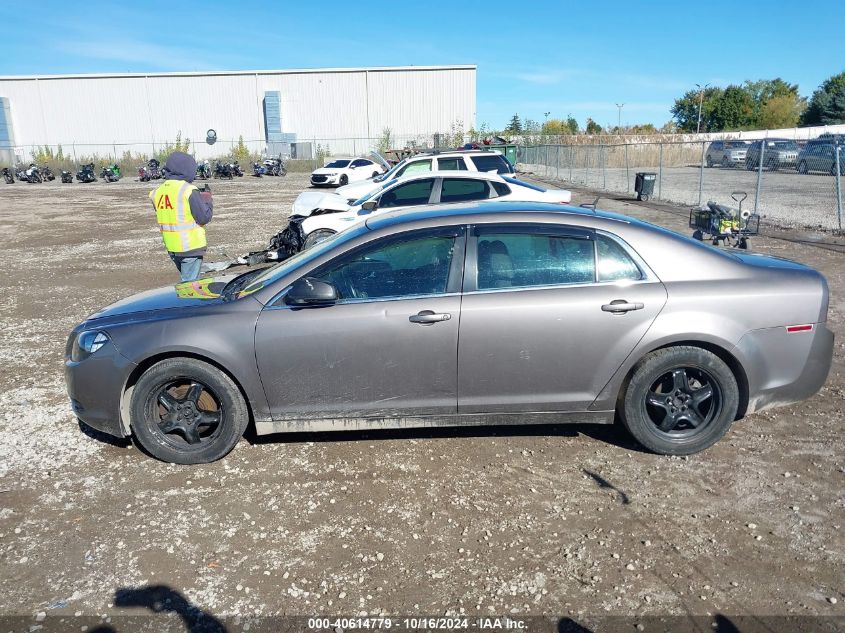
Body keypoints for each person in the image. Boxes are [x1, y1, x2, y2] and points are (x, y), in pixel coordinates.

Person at [149, 152, 213, 281]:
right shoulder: (188, 190)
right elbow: (204, 217)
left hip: (172, 247)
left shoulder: (157, 192)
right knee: (189, 288)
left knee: (188, 283)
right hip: (190, 247)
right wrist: (208, 200)